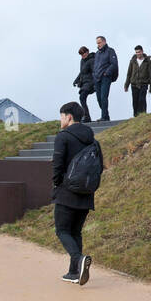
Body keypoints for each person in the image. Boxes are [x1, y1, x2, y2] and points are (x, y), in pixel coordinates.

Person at [51, 101, 96, 285]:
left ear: (69, 117)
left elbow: (57, 165)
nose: (60, 119)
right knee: (75, 232)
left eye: (61, 116)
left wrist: (57, 183)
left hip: (67, 192)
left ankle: (78, 260)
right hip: (86, 193)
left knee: (62, 230)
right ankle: (73, 272)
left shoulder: (63, 137)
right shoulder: (91, 137)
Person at [91, 36, 119, 121]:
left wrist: (106, 73)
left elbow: (114, 64)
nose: (98, 45)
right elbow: (95, 66)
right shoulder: (97, 53)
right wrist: (94, 74)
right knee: (99, 98)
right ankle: (106, 115)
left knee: (103, 97)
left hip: (105, 78)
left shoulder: (110, 51)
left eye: (99, 43)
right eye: (97, 43)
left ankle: (104, 116)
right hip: (97, 78)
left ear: (104, 42)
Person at [124, 45, 151, 117]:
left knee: (142, 100)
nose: (138, 54)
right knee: (135, 101)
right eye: (136, 52)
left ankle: (143, 114)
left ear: (142, 51)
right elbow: (129, 73)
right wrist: (126, 85)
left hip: (144, 84)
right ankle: (135, 116)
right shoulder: (132, 61)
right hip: (134, 84)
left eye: (139, 52)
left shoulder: (147, 61)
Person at [73, 46, 96, 123]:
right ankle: (86, 116)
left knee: (82, 97)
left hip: (90, 82)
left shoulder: (92, 60)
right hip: (84, 82)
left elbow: (94, 72)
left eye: (83, 53)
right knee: (82, 98)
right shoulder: (82, 61)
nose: (82, 55)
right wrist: (76, 80)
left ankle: (86, 116)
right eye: (81, 54)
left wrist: (95, 83)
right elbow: (82, 72)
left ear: (87, 52)